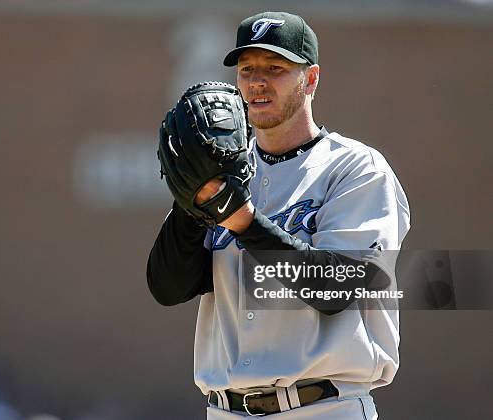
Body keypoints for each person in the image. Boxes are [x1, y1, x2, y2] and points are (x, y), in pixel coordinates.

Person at [147, 11, 410, 419]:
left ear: (311, 78)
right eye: (247, 69)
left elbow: (337, 289)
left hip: (324, 406)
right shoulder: (227, 170)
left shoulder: (355, 169)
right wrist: (190, 205)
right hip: (225, 410)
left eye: (276, 68)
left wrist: (243, 222)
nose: (257, 81)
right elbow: (168, 288)